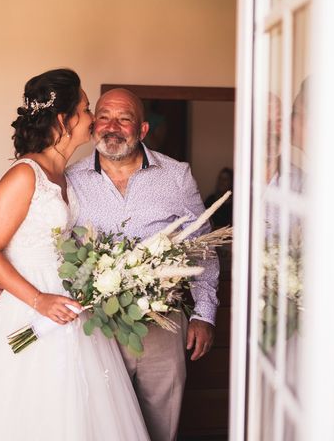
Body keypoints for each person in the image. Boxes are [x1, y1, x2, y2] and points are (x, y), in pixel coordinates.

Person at [0, 70, 150, 440]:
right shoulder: (25, 174)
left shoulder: (67, 176)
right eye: (86, 109)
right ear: (63, 119)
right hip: (28, 305)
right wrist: (37, 299)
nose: (92, 118)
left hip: (67, 304)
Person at [66, 88, 220, 441]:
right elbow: (49, 239)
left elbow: (203, 247)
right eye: (103, 116)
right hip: (95, 324)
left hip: (162, 323)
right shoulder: (70, 180)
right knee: (99, 423)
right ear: (92, 126)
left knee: (160, 423)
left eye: (125, 118)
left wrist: (203, 314)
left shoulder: (176, 175)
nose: (112, 126)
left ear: (144, 129)